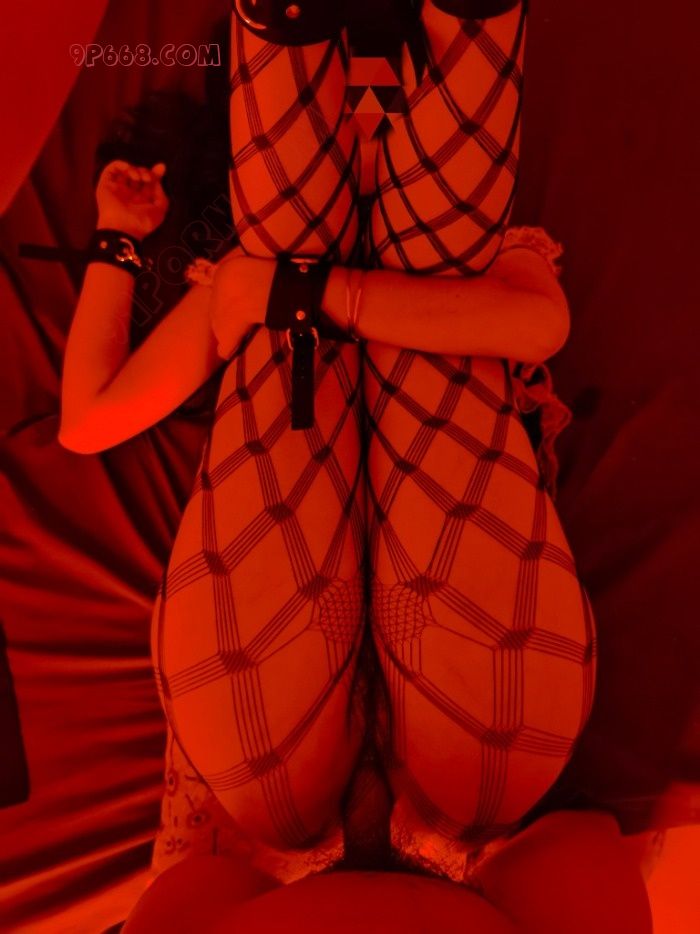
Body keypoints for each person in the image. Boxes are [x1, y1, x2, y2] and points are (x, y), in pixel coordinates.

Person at [58, 1, 643, 929]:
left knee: (311, 303)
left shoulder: (266, 276)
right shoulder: (262, 276)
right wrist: (125, 242)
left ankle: (287, 30)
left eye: (381, 101)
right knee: (389, 293)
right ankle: (459, 27)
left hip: (267, 814)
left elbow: (537, 322)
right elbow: (90, 421)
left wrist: (296, 288)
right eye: (360, 101)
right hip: (477, 797)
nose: (370, 125)